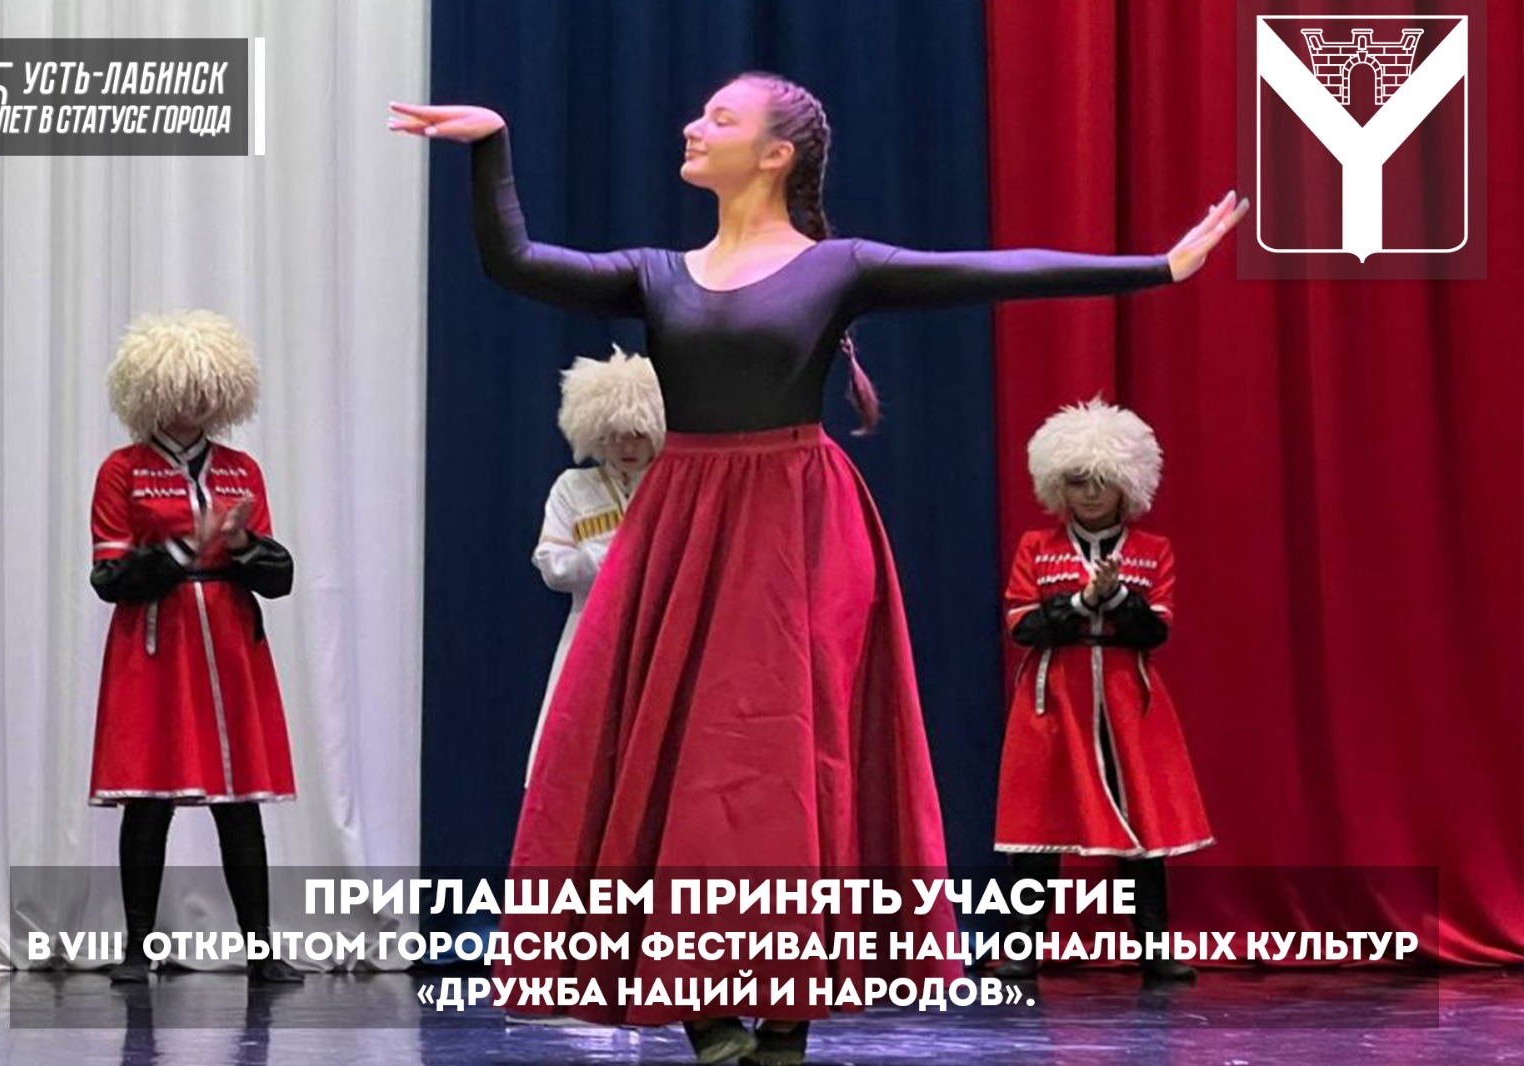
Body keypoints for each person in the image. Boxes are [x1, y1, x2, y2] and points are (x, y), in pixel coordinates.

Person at [389, 72, 1243, 1063]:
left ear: (775, 153)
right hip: (684, 525)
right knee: (686, 753)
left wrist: (1158, 266)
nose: (692, 126)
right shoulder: (658, 274)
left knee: (795, 757)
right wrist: (491, 145)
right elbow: (516, 261)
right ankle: (705, 1008)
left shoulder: (837, 268)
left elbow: (993, 269)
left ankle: (788, 1015)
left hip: (799, 523)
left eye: (719, 117)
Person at [88, 310, 303, 985]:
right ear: (153, 391)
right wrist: (186, 546)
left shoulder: (241, 471)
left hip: (231, 645)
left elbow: (279, 577)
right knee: (148, 800)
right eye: (185, 387)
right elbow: (110, 578)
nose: (199, 401)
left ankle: (261, 949)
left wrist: (240, 544)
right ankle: (136, 948)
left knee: (239, 803)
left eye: (209, 387)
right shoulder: (122, 471)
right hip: (154, 647)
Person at [995, 398, 1212, 982]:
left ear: (1128, 485)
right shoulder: (1036, 548)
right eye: (1077, 480)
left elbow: (1154, 632)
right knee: (1037, 827)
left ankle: (1155, 946)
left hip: (1126, 704)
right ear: (1056, 484)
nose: (1090, 494)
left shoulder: (1152, 551)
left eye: (1103, 481)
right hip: (1052, 701)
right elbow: (1023, 627)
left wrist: (1114, 598)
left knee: (1142, 826)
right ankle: (1021, 945)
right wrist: (1081, 601)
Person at [527, 345, 664, 786]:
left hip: (661, 634)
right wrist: (610, 557)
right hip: (589, 631)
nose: (626, 446)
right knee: (580, 755)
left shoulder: (672, 487)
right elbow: (552, 567)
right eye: (614, 434)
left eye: (637, 433)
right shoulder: (572, 487)